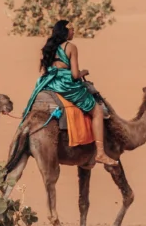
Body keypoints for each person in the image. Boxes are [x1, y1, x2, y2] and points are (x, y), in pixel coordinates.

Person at [21, 19, 115, 166]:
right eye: (71, 29)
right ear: (65, 31)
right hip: (66, 86)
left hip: (50, 83)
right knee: (97, 111)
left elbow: (47, 68)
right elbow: (75, 75)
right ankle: (101, 153)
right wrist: (85, 71)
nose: (73, 31)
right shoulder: (71, 47)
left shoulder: (49, 46)